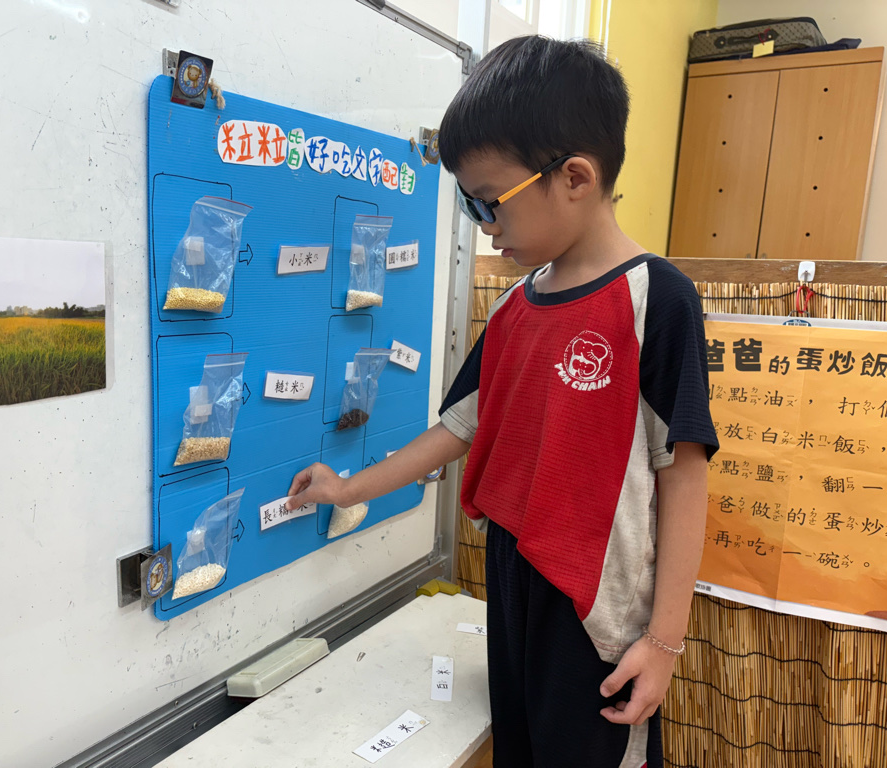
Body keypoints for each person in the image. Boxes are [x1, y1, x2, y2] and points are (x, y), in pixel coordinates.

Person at [287, 35, 719, 768]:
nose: (484, 224)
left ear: (574, 177)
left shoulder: (658, 300)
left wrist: (663, 642)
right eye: (470, 203)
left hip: (598, 613)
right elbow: (460, 427)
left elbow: (684, 477)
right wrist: (347, 489)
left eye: (489, 201)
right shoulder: (518, 306)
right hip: (514, 575)